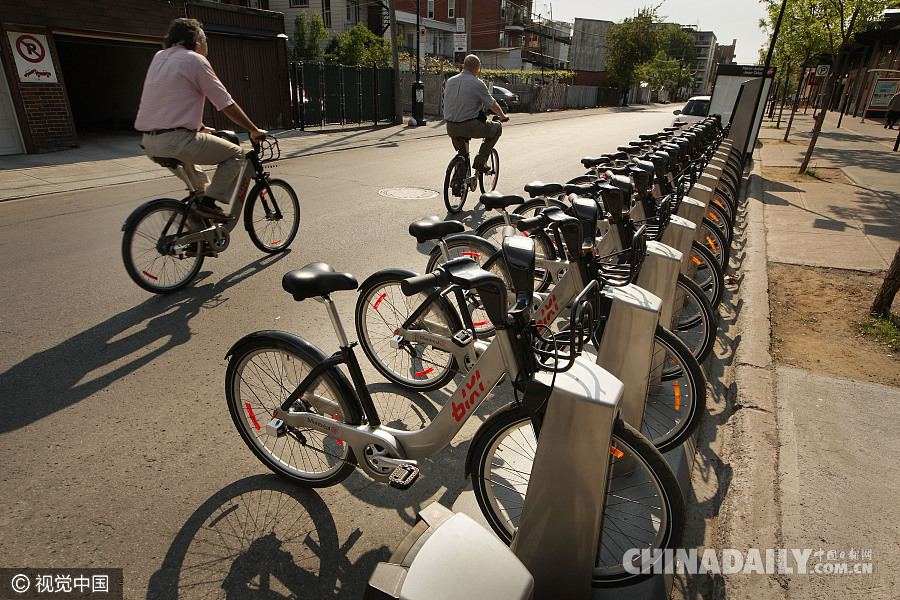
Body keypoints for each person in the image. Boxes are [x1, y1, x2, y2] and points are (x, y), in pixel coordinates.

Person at [134, 18, 266, 221]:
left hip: (150, 143)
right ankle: (209, 206)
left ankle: (199, 235)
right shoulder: (194, 60)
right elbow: (225, 103)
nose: (206, 44)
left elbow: (168, 98)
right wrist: (253, 129)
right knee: (236, 155)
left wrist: (200, 127)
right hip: (178, 142)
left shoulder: (159, 57)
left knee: (200, 188)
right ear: (197, 39)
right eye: (205, 39)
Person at [442, 54, 509, 174]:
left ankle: (459, 182)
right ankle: (480, 161)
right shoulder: (477, 83)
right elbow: (491, 104)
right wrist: (503, 116)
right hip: (469, 126)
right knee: (497, 129)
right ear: (477, 68)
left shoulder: (450, 81)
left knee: (462, 154)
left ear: (463, 66)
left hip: (451, 127)